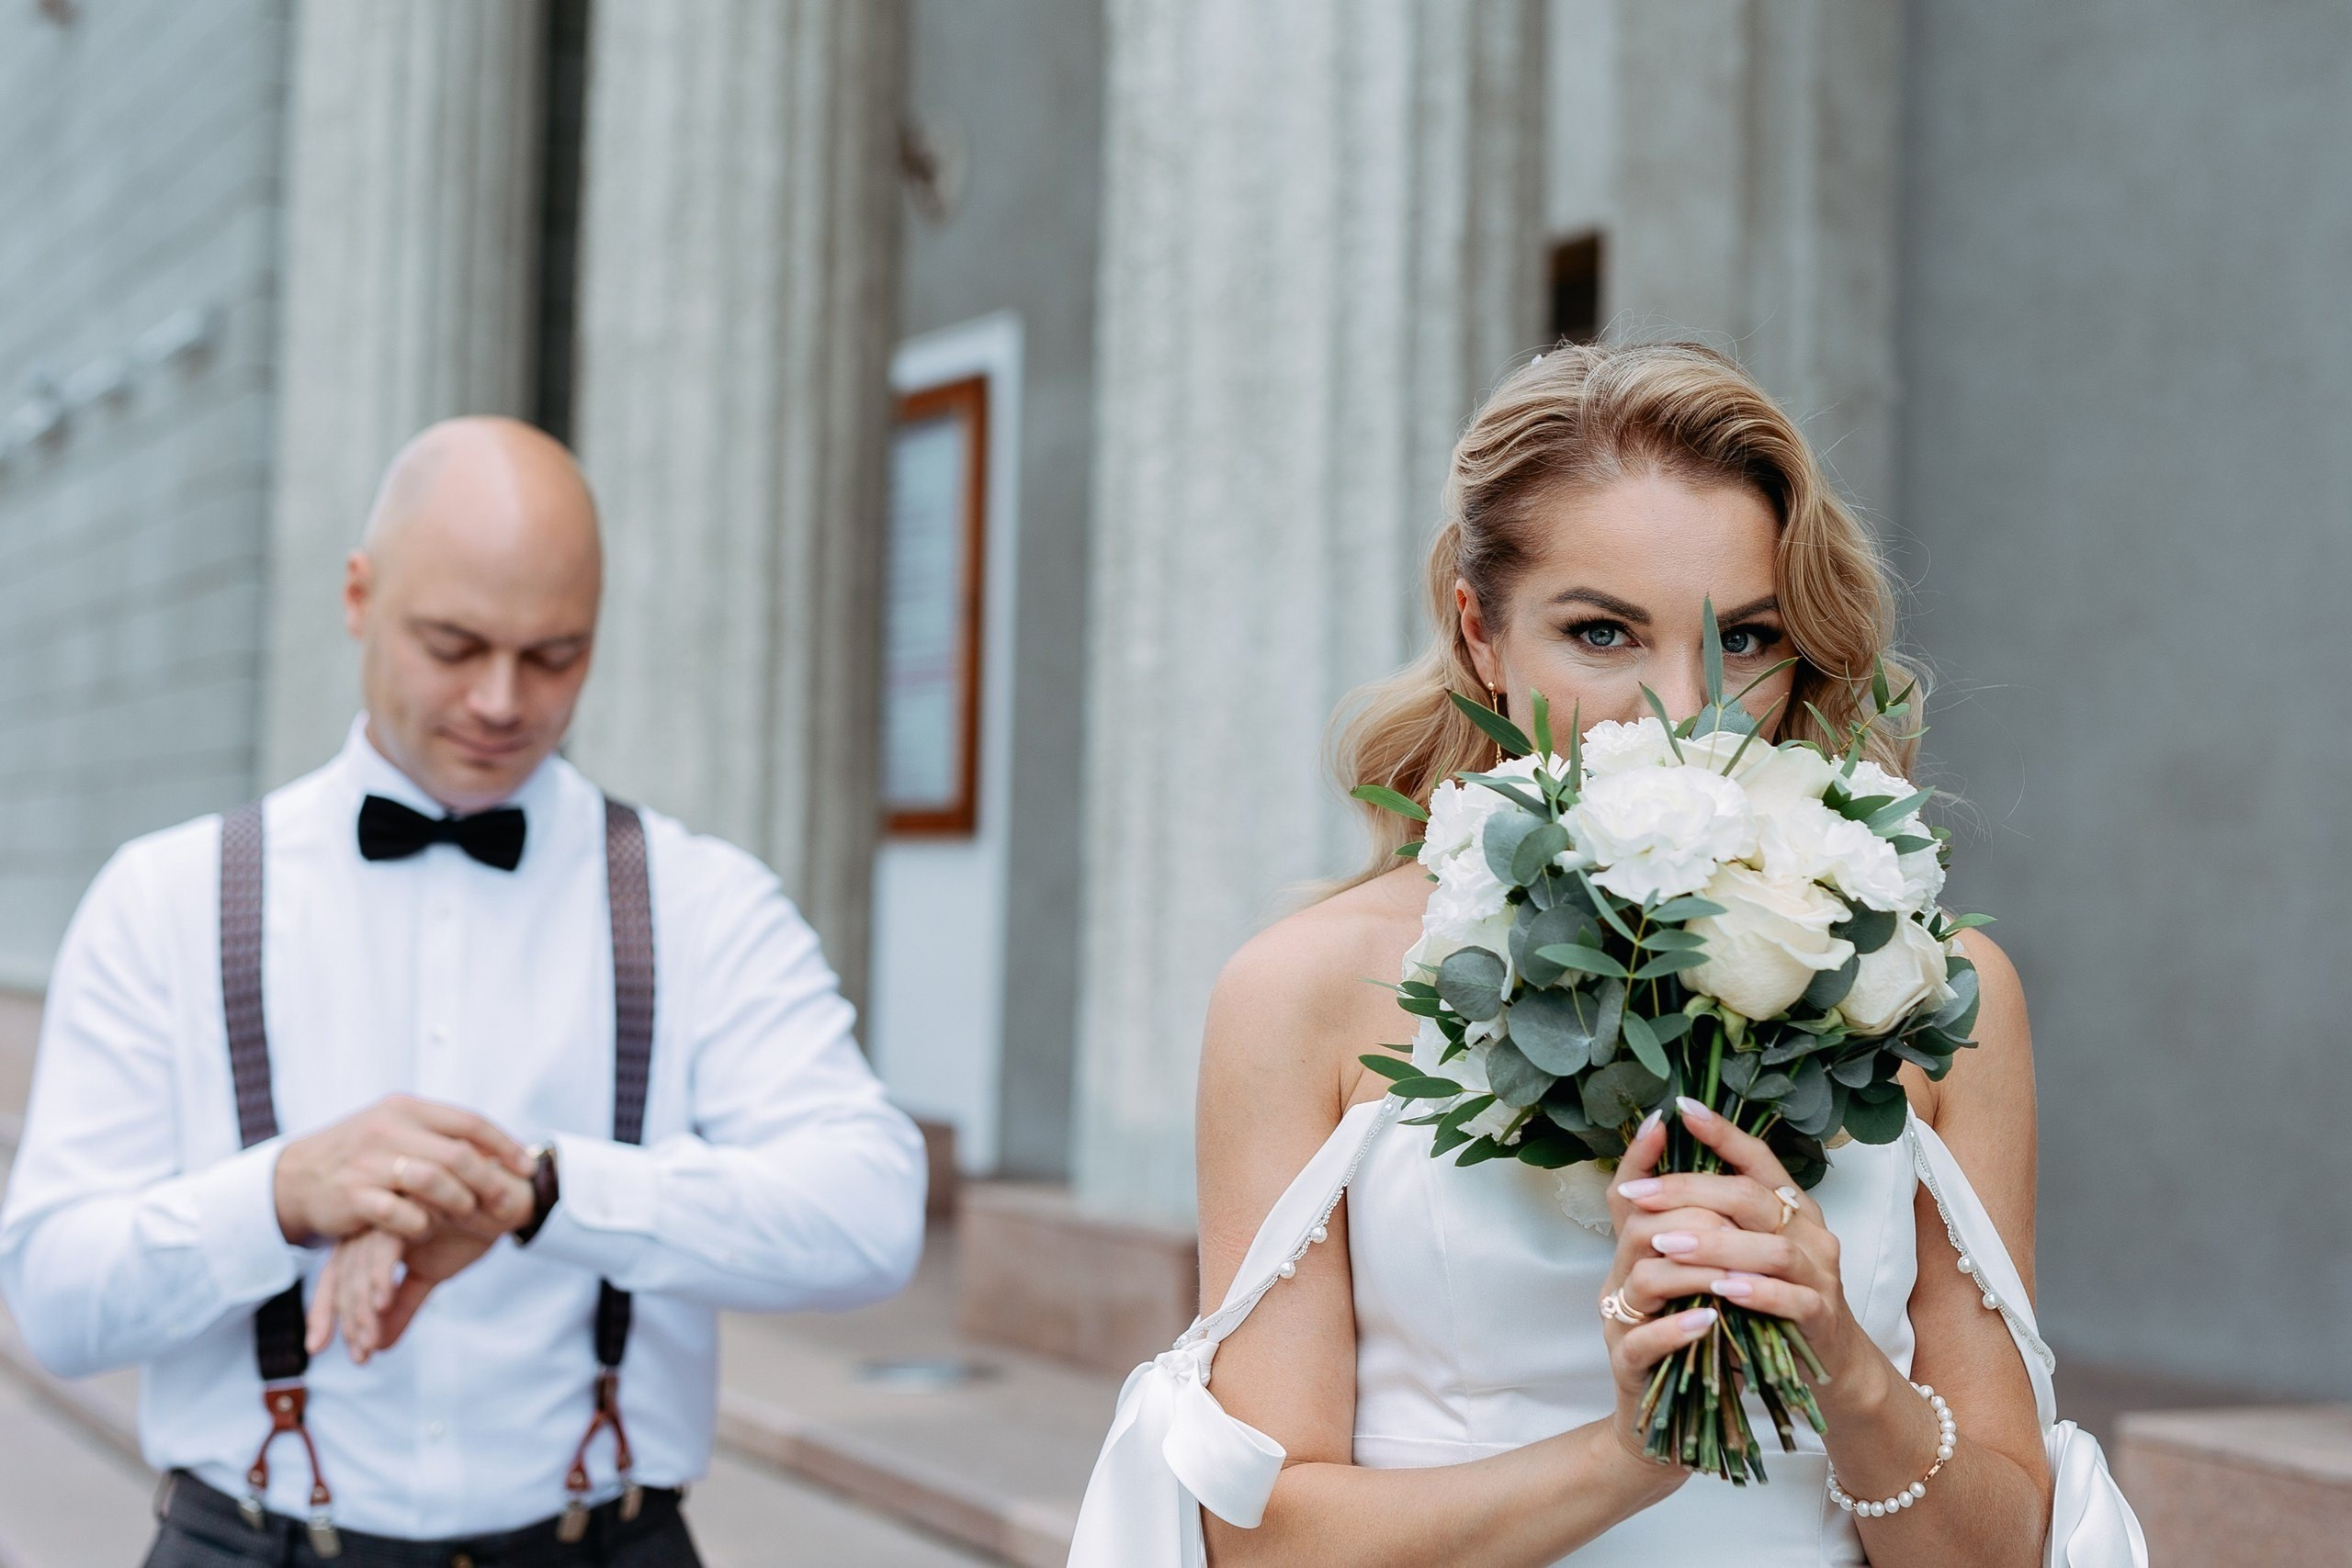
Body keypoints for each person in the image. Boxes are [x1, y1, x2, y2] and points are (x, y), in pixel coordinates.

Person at [1072, 342, 2095, 1567]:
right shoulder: (1305, 992)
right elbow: (1266, 1543)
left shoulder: (1933, 985)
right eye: (1604, 632)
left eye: (1749, 639)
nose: (1685, 709)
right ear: (1480, 632)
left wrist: (1846, 1368)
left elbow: (2004, 1549)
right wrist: (1626, 1455)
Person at [0, 417, 927, 1567]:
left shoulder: (702, 902)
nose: (501, 700)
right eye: (454, 644)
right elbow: (53, 1296)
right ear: (357, 596)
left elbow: (872, 1214)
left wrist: (547, 1193)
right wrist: (282, 1194)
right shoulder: (168, 899)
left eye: (554, 655)